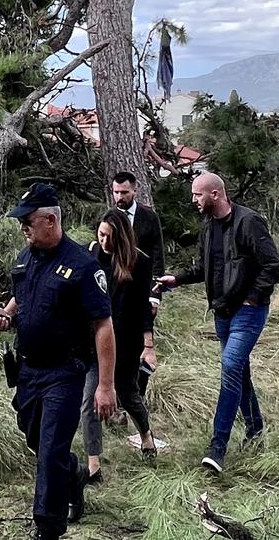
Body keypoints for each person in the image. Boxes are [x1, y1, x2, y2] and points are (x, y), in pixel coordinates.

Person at [0, 183, 118, 539]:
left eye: (27, 221)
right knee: (37, 438)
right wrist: (6, 315)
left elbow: (103, 325)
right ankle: (72, 472)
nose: (23, 228)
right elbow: (20, 296)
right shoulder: (25, 257)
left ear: (50, 220)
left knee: (49, 452)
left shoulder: (82, 266)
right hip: (29, 369)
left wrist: (106, 385)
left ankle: (48, 528)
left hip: (65, 371)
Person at [156, 172, 279, 475]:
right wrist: (177, 279)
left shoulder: (249, 222)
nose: (193, 200)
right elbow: (205, 267)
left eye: (197, 194)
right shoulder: (208, 227)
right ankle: (255, 431)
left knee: (229, 367)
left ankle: (218, 447)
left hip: (248, 312)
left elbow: (273, 266)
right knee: (239, 372)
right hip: (222, 312)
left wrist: (253, 297)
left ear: (215, 194)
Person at [81, 209, 158, 484]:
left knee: (127, 394)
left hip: (125, 341)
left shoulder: (140, 262)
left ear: (122, 237)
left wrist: (148, 345)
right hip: (94, 340)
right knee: (90, 399)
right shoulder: (90, 254)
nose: (104, 241)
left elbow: (143, 309)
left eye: (109, 237)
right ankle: (93, 465)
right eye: (101, 234)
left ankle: (146, 436)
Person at [110, 171, 165, 419]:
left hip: (141, 292)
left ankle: (135, 397)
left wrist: (155, 294)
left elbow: (157, 256)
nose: (119, 197)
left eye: (124, 192)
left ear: (135, 191)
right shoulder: (109, 218)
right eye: (116, 192)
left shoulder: (148, 217)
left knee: (139, 347)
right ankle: (116, 402)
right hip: (116, 294)